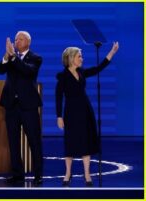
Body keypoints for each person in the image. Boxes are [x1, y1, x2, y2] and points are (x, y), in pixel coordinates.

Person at [55, 42, 119, 187]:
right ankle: (68, 173)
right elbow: (58, 97)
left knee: (85, 141)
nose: (82, 58)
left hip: (85, 110)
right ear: (71, 58)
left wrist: (112, 52)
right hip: (70, 112)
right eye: (79, 56)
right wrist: (59, 116)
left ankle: (87, 173)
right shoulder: (63, 76)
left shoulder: (82, 72)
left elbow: (99, 68)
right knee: (70, 142)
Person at [0, 31, 43, 186]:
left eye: (20, 39)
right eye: (15, 39)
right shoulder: (11, 57)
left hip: (28, 106)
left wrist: (14, 57)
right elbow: (0, 70)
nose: (17, 42)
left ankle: (38, 175)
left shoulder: (35, 58)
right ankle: (18, 175)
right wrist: (6, 57)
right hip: (11, 106)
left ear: (28, 41)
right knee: (13, 142)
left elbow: (28, 71)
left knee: (34, 141)